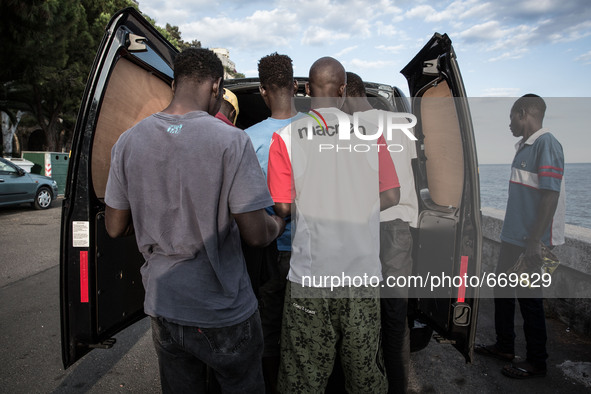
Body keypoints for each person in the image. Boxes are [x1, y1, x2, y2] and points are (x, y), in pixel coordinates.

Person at [103, 47, 285, 393]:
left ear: (175, 83)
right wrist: (277, 220)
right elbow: (256, 234)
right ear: (216, 86)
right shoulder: (232, 140)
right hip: (223, 310)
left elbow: (114, 226)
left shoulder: (128, 141)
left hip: (165, 306)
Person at [268, 56, 400, 393]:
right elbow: (392, 194)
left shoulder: (285, 137)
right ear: (342, 91)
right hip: (362, 276)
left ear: (308, 90)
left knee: (302, 374)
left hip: (311, 279)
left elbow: (282, 206)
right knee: (365, 375)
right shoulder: (373, 134)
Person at [475, 94, 565, 379]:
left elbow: (550, 196)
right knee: (502, 293)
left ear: (522, 113)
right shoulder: (525, 147)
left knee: (529, 300)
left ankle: (537, 361)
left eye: (511, 117)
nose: (509, 123)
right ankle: (504, 346)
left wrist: (534, 242)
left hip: (529, 242)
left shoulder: (546, 144)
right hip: (513, 238)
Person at [344, 71, 418, 393]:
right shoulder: (401, 121)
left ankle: (372, 381)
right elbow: (415, 170)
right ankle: (397, 385)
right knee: (395, 316)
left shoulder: (351, 130)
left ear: (346, 93)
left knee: (365, 313)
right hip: (402, 226)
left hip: (371, 224)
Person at [243, 52, 301, 393]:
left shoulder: (248, 139)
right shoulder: (319, 129)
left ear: (263, 91)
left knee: (269, 328)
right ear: (295, 86)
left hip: (270, 249)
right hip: (315, 250)